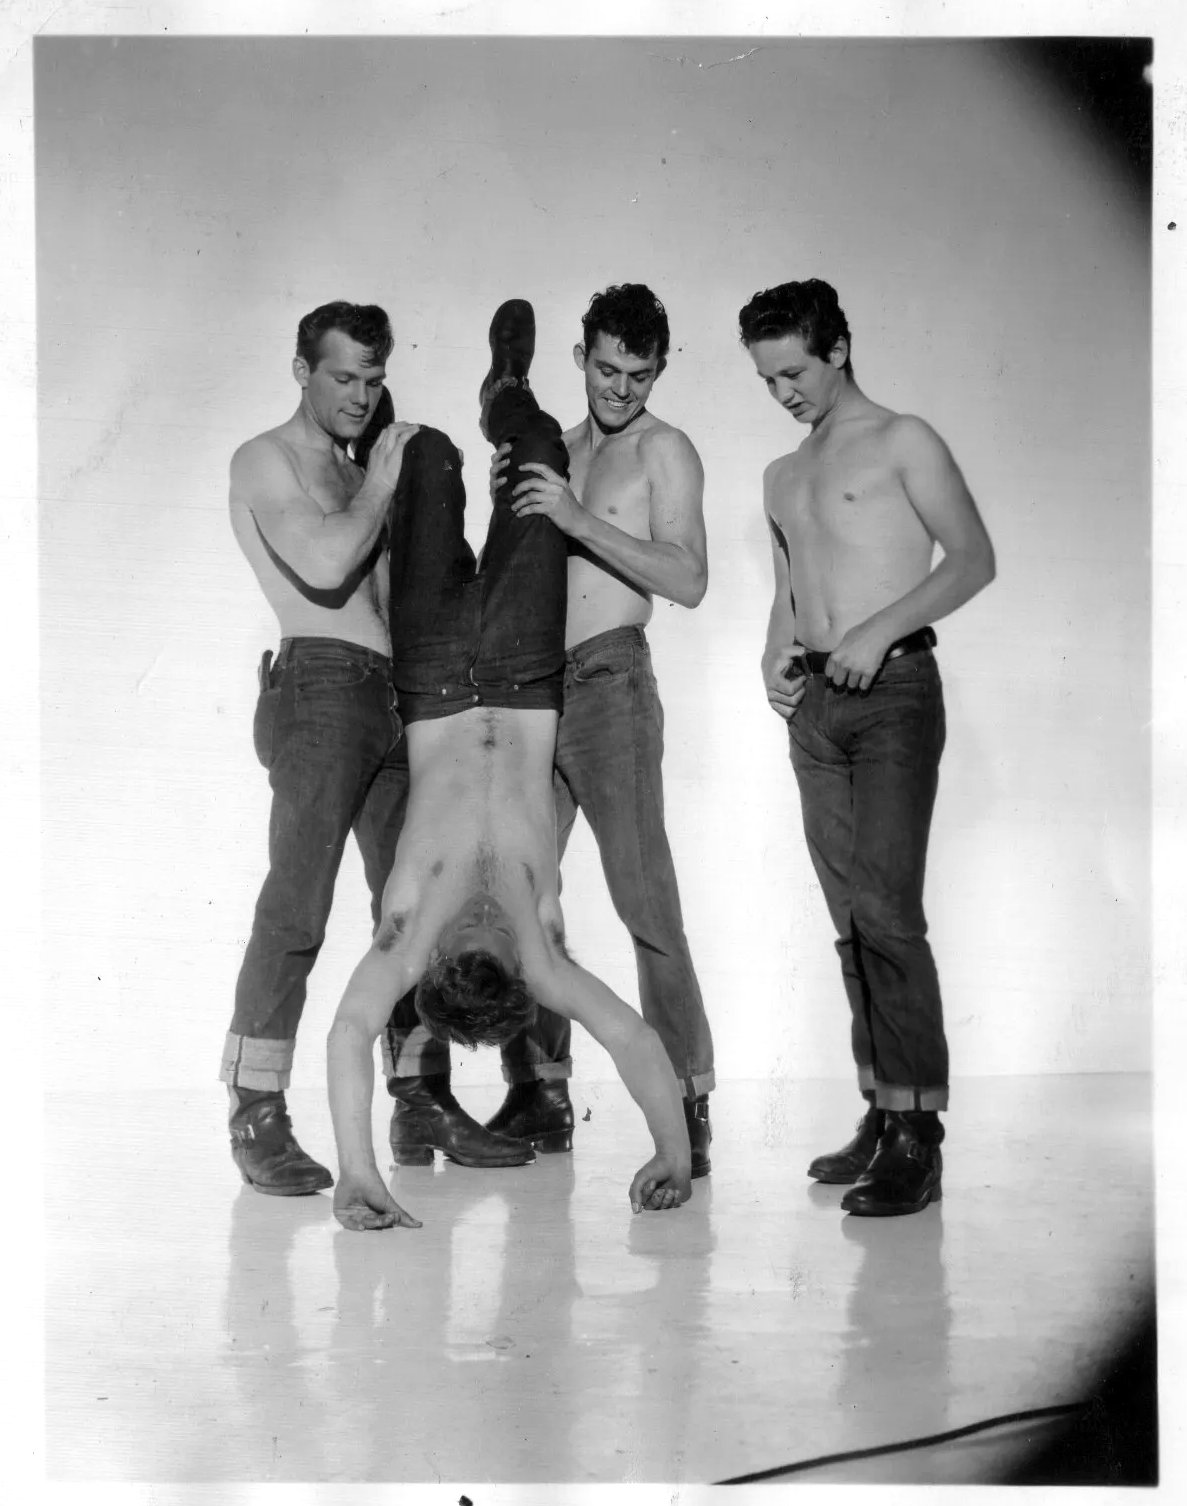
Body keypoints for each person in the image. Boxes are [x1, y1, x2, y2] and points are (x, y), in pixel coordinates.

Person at [328, 300, 694, 1231]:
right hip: (528, 676)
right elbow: (629, 1036)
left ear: (440, 958)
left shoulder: (407, 939)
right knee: (535, 454)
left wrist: (356, 1173)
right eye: (494, 936)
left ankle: (403, 423)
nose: (487, 917)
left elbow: (348, 1030)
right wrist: (671, 1152)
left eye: (473, 933)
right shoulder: (539, 962)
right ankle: (510, 393)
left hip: (434, 682)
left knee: (427, 461)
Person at [738, 278, 996, 1216]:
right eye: (767, 380)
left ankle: (919, 1136)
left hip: (892, 694)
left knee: (886, 912)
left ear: (837, 349)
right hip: (815, 709)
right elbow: (788, 586)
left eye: (793, 373)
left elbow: (972, 559)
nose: (783, 394)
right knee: (850, 919)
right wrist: (774, 654)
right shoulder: (780, 473)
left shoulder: (902, 440)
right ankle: (882, 1110)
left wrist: (879, 629)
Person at [221, 301, 419, 1196]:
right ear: (302, 370)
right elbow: (329, 566)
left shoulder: (352, 468)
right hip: (321, 685)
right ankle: (255, 1111)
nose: (360, 396)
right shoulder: (265, 458)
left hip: (390, 698)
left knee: (409, 909)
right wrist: (380, 485)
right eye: (343, 377)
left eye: (373, 380)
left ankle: (419, 1097)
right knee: (297, 907)